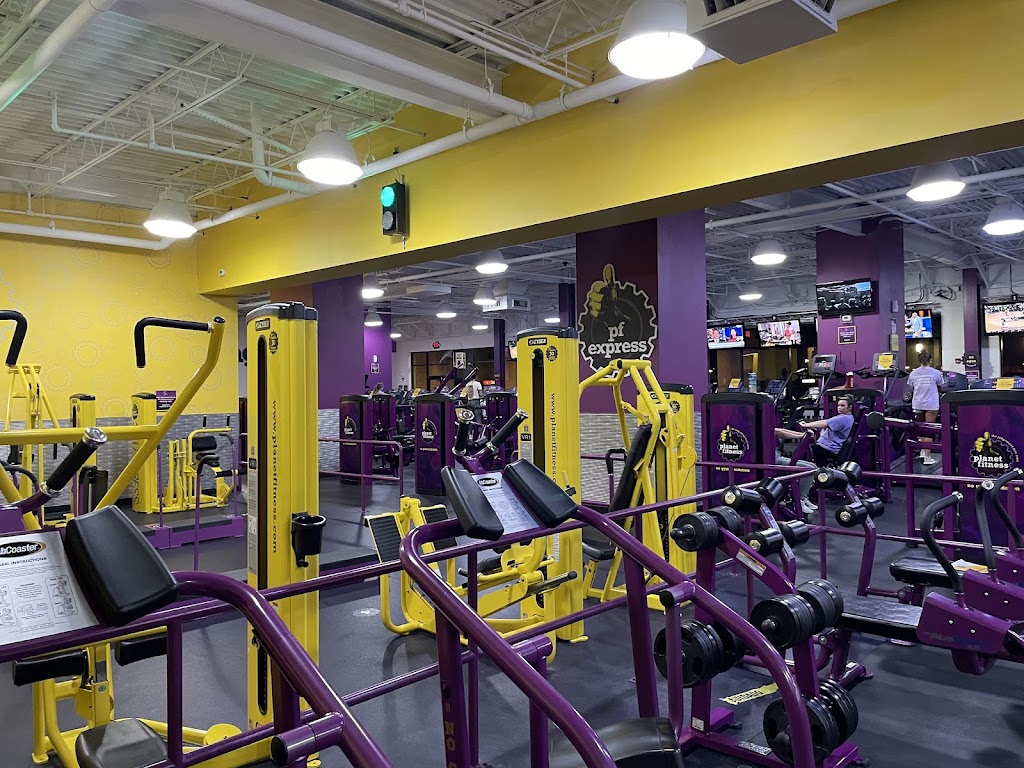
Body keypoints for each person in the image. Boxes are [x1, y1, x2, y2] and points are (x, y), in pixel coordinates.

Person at [776, 395, 855, 514]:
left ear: (850, 407)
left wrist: (805, 425)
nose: (839, 408)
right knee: (800, 460)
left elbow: (824, 423)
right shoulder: (845, 418)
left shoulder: (844, 418)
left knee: (797, 460)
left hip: (826, 449)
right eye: (838, 405)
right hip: (825, 447)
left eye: (842, 405)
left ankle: (797, 497)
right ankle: (802, 496)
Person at [905, 350, 943, 465]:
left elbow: (911, 387)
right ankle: (927, 457)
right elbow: (941, 387)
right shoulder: (936, 373)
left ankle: (922, 451)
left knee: (921, 428)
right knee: (929, 429)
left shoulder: (913, 373)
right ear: (930, 360)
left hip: (918, 403)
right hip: (931, 404)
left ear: (919, 360)